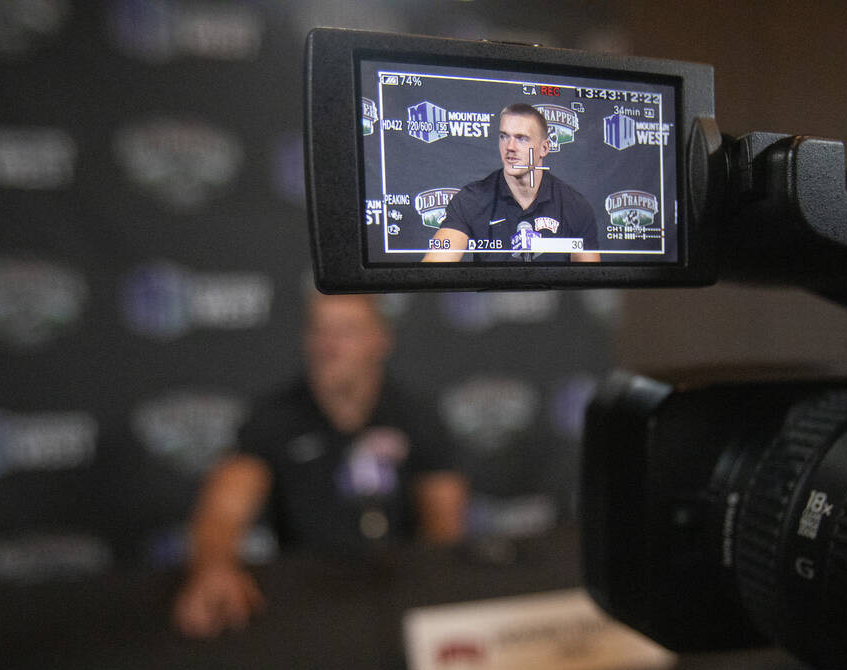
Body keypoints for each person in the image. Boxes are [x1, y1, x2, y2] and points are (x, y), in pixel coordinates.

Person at [173, 293, 468, 638]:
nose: (329, 345)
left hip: (399, 593)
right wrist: (214, 567)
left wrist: (432, 598)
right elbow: (222, 511)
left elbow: (444, 524)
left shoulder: (417, 416)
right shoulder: (273, 418)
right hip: (307, 602)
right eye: (319, 331)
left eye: (347, 331)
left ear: (381, 340)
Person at [422, 103, 600, 264]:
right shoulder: (471, 199)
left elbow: (590, 283)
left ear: (544, 148)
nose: (510, 147)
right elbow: (434, 268)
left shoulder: (575, 206)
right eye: (504, 137)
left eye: (521, 138)